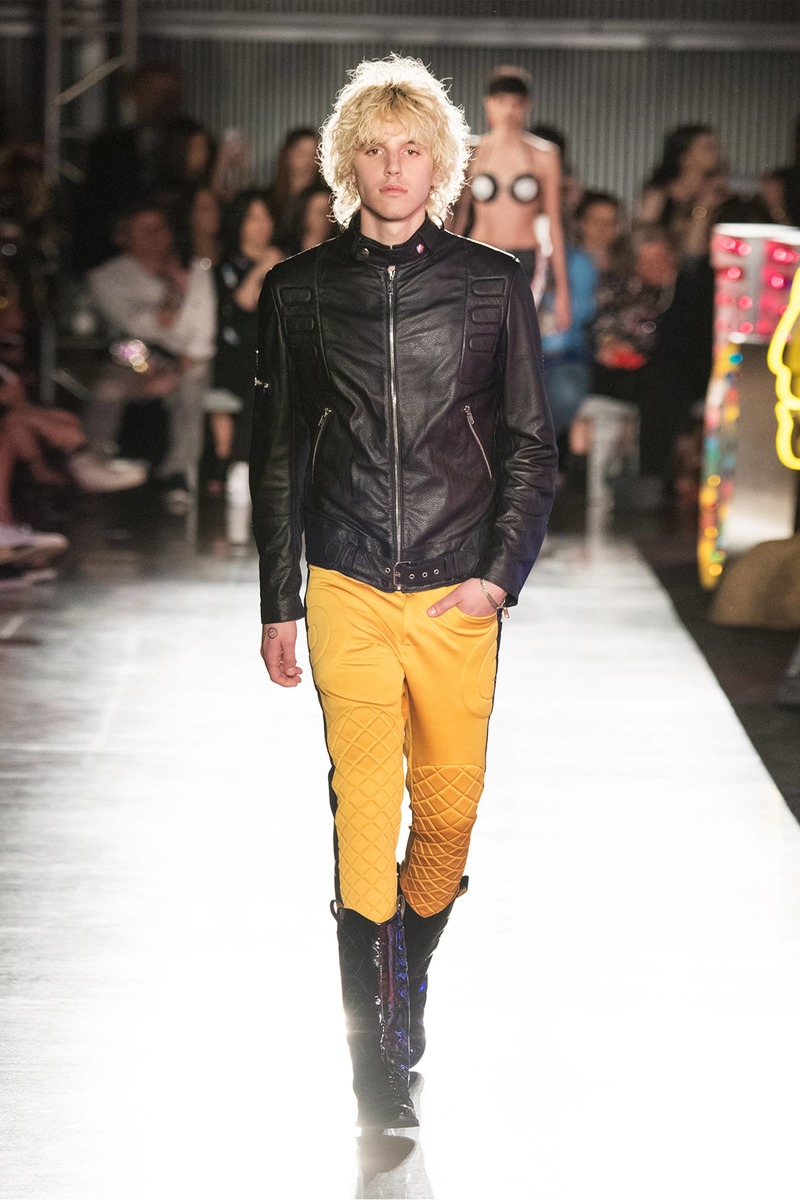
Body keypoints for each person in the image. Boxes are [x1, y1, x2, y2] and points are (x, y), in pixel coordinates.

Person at [250, 55, 557, 1130]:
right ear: (348, 163)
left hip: (452, 593)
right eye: (374, 149)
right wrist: (278, 600)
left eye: (412, 148)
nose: (393, 167)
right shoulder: (296, 291)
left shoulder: (490, 284)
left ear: (440, 165)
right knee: (364, 814)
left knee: (449, 815)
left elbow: (530, 445)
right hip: (344, 580)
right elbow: (277, 454)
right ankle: (371, 1060)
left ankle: (405, 973)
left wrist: (495, 579)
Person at [87, 198, 215, 512]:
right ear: (124, 236)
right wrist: (175, 290)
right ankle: (93, 460)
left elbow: (201, 330)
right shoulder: (106, 277)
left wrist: (180, 364)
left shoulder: (196, 269)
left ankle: (177, 474)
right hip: (134, 356)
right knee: (110, 383)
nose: (159, 237)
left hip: (188, 360)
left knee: (193, 383)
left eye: (162, 228)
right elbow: (143, 326)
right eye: (147, 230)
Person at [450, 65, 570, 332]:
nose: (508, 111)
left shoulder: (545, 155)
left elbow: (554, 221)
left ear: (527, 105)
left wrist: (563, 291)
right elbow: (459, 215)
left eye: (515, 104)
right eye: (501, 102)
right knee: (478, 334)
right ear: (488, 103)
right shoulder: (472, 151)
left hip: (524, 257)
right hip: (479, 253)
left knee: (516, 333)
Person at [210, 190, 284, 495]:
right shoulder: (226, 266)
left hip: (275, 348)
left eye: (266, 217)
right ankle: (234, 465)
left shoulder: (285, 261)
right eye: (253, 218)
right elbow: (242, 303)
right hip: (236, 353)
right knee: (257, 381)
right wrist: (261, 268)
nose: (261, 224)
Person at [265, 127, 324, 251]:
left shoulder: (320, 199)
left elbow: (313, 247)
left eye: (314, 154)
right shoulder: (269, 197)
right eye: (302, 153)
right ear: (287, 154)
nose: (309, 161)